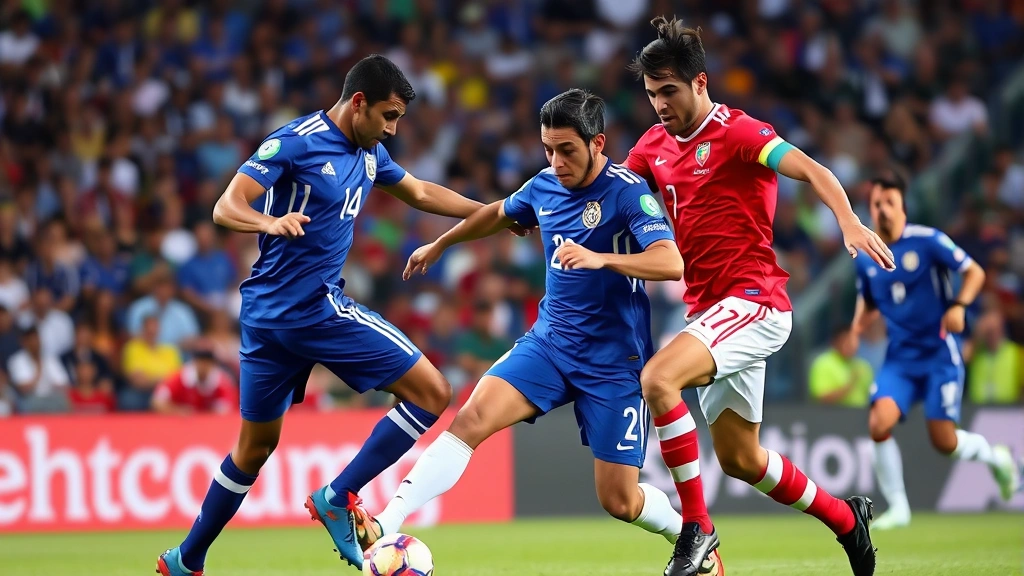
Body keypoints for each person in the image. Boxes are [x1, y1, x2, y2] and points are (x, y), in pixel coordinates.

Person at [157, 54, 518, 576]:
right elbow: (225, 206)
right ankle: (338, 495)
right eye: (388, 117)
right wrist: (270, 221)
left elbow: (419, 192)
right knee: (434, 392)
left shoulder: (369, 153)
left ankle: (185, 560)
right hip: (308, 310)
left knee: (254, 447)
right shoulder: (296, 141)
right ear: (358, 103)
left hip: (269, 319)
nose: (392, 130)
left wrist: (496, 213)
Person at [351, 89, 689, 556]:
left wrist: (600, 259)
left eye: (566, 149)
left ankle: (688, 535)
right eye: (548, 148)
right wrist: (441, 244)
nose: (555, 160)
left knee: (619, 500)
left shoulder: (627, 191)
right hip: (549, 345)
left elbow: (670, 262)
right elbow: (496, 214)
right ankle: (386, 522)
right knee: (471, 419)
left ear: (598, 143)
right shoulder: (544, 184)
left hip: (614, 364)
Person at [622, 17, 895, 576]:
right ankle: (848, 519)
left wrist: (848, 221)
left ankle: (696, 529)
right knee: (741, 459)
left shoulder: (741, 132)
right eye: (651, 94)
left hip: (756, 300)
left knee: (658, 379)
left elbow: (810, 168)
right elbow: (616, 196)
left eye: (669, 91)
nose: (659, 105)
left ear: (700, 83)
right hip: (711, 310)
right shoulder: (653, 145)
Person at [849, 174, 1020, 530]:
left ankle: (995, 457)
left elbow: (974, 271)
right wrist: (856, 328)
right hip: (900, 358)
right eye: (876, 204)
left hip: (939, 355)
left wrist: (958, 305)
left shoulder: (928, 242)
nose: (882, 210)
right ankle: (899, 507)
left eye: (889, 203)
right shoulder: (866, 257)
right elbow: (867, 301)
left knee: (944, 441)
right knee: (878, 423)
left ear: (903, 208)